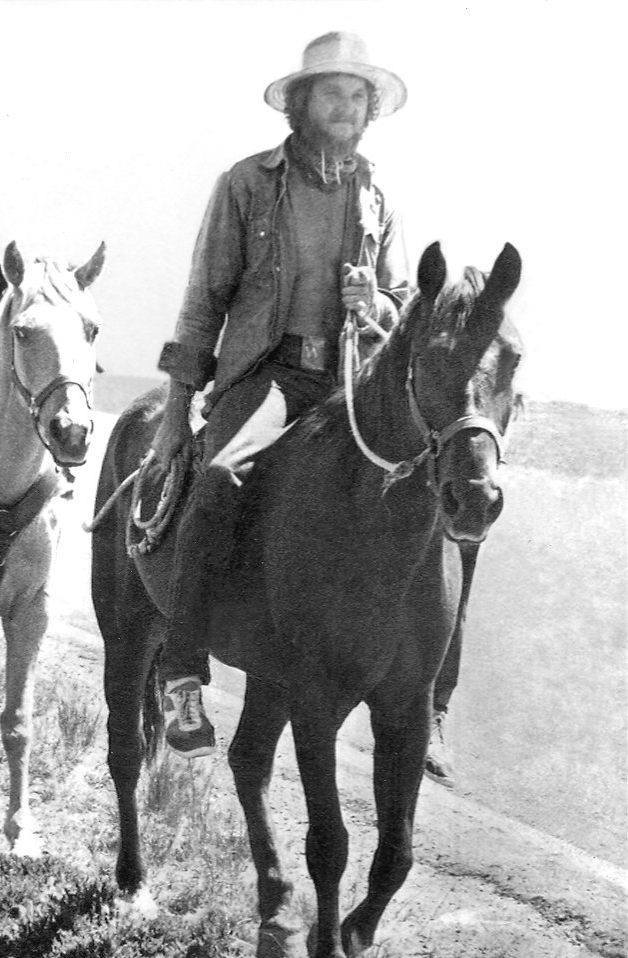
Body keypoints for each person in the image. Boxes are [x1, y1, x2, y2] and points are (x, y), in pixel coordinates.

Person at [151, 31, 410, 757]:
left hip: (347, 385)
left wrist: (378, 305)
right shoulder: (247, 182)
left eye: (358, 94)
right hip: (268, 380)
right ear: (299, 102)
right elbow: (203, 299)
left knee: (429, 490)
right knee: (218, 480)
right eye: (332, 91)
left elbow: (396, 298)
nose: (346, 105)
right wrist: (176, 411)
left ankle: (425, 696)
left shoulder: (377, 192)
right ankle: (180, 675)